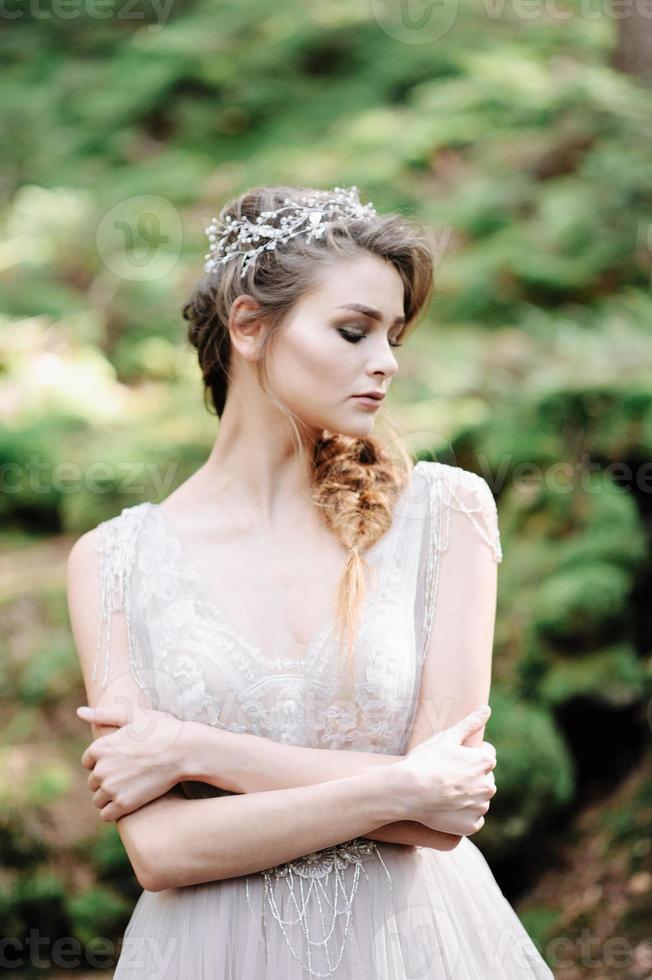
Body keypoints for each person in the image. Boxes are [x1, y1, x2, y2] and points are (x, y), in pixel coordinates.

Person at [67, 185, 554, 978]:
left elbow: (447, 811)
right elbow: (160, 851)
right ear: (250, 327)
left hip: (418, 947)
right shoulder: (113, 562)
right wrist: (400, 788)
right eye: (354, 331)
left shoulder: (446, 513)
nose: (387, 362)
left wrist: (195, 749)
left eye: (394, 336)